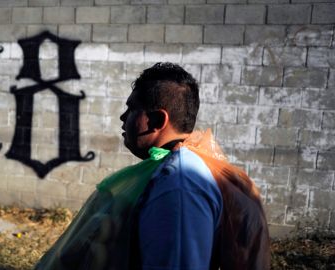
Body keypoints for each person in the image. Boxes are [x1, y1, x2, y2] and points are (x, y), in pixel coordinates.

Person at [35, 62, 270, 270]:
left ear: (157, 120)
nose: (122, 117)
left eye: (131, 108)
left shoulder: (179, 183)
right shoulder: (188, 168)